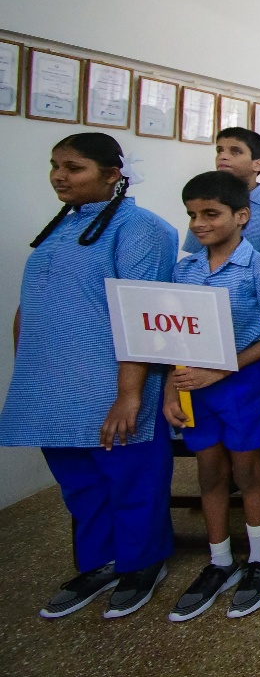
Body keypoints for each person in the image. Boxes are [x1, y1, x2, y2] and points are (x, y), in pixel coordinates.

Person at [0, 133, 178, 619]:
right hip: (51, 381)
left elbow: (142, 316)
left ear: (112, 174)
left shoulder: (142, 229)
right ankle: (100, 561)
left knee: (130, 475)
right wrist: (27, 373)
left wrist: (129, 394)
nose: (59, 176)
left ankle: (143, 561)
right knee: (78, 480)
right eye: (55, 166)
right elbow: (31, 303)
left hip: (111, 378)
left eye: (74, 168)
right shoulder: (63, 224)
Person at [164, 171, 260, 621]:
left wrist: (223, 368)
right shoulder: (184, 270)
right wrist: (170, 387)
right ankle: (219, 559)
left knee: (247, 470)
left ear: (241, 216)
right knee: (209, 471)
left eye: (211, 214)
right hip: (193, 386)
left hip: (242, 383)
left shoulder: (259, 268)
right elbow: (171, 334)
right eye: (192, 215)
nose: (199, 223)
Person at [183, 127, 260, 290]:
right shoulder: (206, 205)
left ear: (257, 164)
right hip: (211, 290)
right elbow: (196, 257)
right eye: (219, 150)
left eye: (235, 151)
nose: (223, 156)